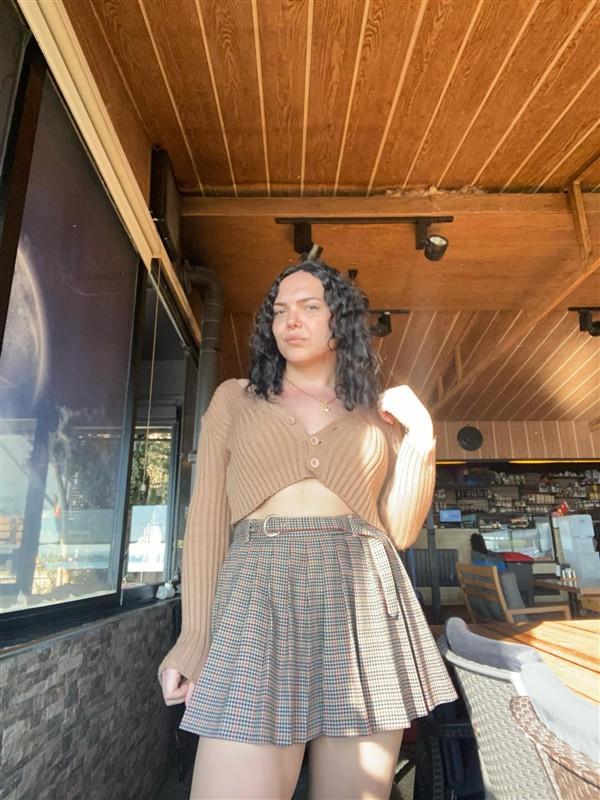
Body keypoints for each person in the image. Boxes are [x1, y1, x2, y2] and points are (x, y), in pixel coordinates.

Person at [158, 259, 457, 800]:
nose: (290, 320)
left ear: (339, 320)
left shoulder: (375, 413)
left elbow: (398, 530)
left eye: (309, 307)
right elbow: (206, 523)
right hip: (258, 594)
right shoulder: (236, 399)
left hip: (362, 602)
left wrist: (422, 441)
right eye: (280, 311)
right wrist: (194, 638)